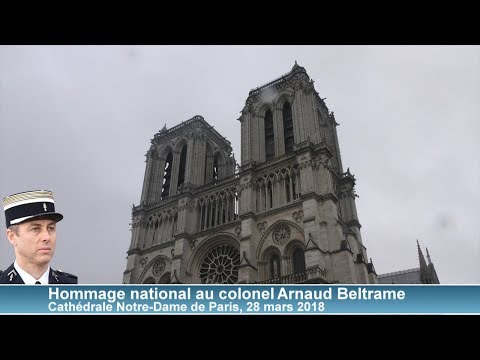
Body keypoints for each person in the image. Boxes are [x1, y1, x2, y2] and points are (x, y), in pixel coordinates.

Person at [0, 189, 77, 284]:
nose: (47, 237)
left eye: (51, 228)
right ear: (12, 236)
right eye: (35, 229)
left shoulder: (72, 288)